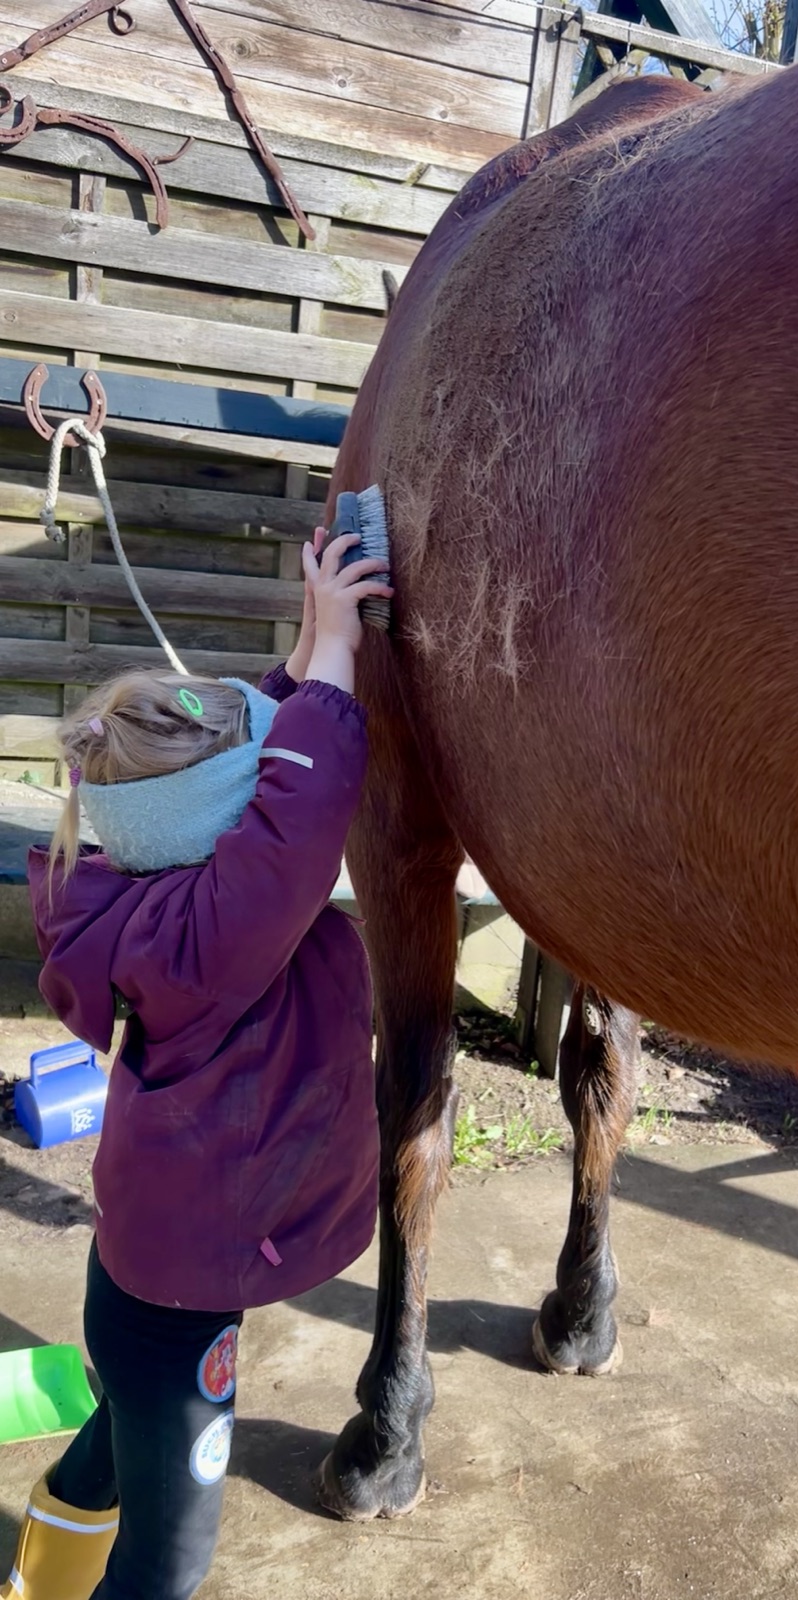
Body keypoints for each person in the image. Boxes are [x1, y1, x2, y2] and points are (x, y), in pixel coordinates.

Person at [2, 530, 393, 1600]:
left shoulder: (146, 889)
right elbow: (296, 811)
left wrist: (314, 638)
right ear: (221, 819)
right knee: (168, 1563)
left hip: (150, 1272)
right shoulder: (212, 937)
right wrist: (340, 653)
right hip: (175, 1307)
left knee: (116, 1439)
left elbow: (247, 771)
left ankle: (38, 1578)